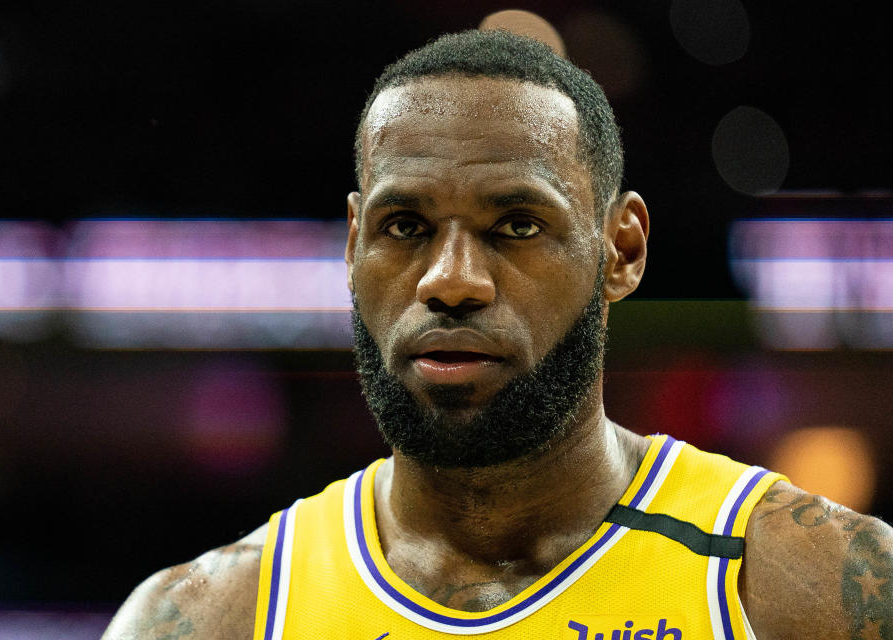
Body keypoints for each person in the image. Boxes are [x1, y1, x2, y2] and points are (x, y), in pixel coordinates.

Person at [103, 30, 893, 639]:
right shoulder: (210, 618)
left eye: (517, 225)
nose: (450, 279)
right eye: (404, 225)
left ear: (622, 251)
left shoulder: (818, 590)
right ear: (352, 248)